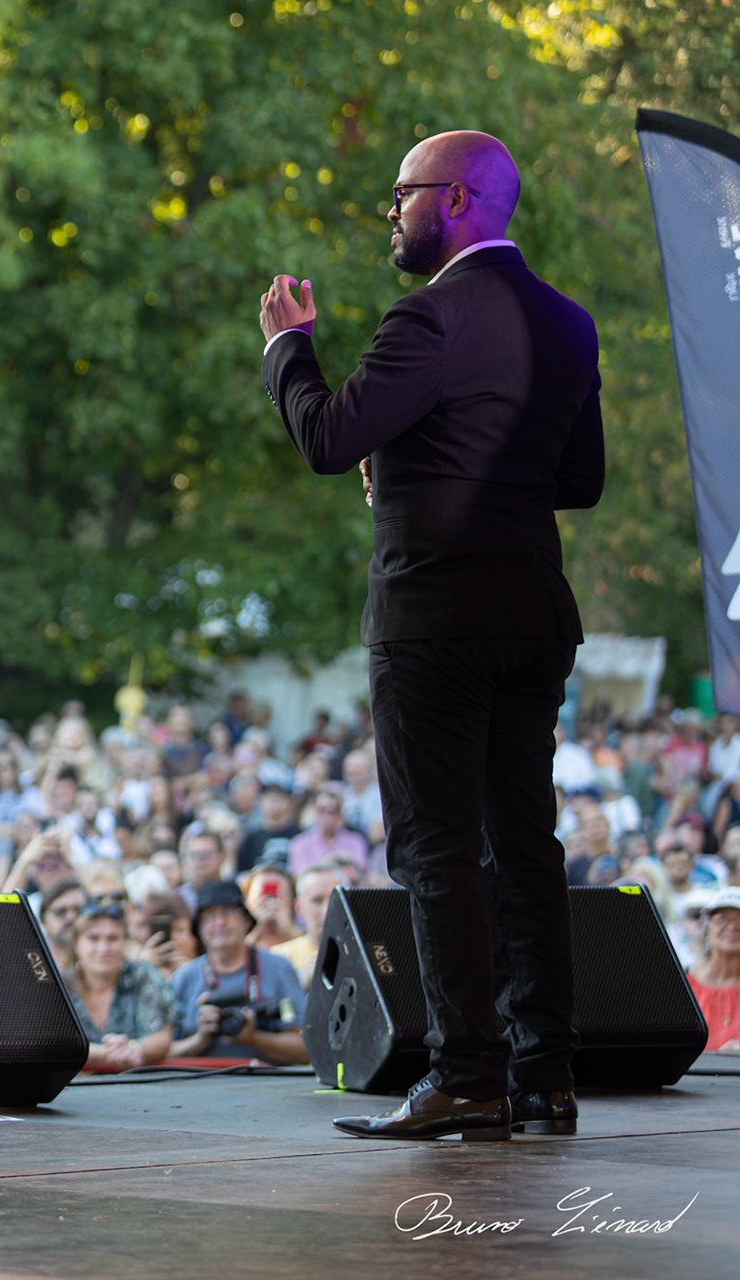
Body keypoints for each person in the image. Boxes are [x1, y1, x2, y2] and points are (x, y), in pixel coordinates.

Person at [262, 130, 602, 1142]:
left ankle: (466, 1075)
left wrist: (290, 348)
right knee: (525, 844)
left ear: (454, 202)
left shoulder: (430, 316)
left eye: (401, 197)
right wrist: (421, 463)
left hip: (434, 623)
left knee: (438, 849)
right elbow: (577, 480)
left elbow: (329, 436)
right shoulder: (567, 323)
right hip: (531, 616)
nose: (391, 216)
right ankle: (546, 1072)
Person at [167, 880, 308, 1064]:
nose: (220, 922)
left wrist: (254, 1038)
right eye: (210, 915)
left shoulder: (279, 969)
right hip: (201, 1085)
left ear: (247, 921)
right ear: (198, 927)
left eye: (229, 912)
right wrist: (200, 1038)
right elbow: (163, 1052)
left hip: (267, 1085)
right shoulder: (184, 978)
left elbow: (303, 1050)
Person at [66, 900, 175, 1071]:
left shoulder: (141, 974)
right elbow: (56, 1046)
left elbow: (161, 1038)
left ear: (125, 942)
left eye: (113, 938)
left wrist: (136, 1048)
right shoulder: (62, 983)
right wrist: (110, 1053)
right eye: (93, 938)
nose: (103, 948)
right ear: (76, 945)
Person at [686, 887, 740, 1052]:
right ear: (707, 929)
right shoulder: (684, 980)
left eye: (739, 920)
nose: (732, 927)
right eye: (722, 919)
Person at [36, 879, 87, 979]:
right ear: (43, 920)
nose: (71, 917)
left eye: (79, 910)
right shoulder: (36, 965)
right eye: (61, 912)